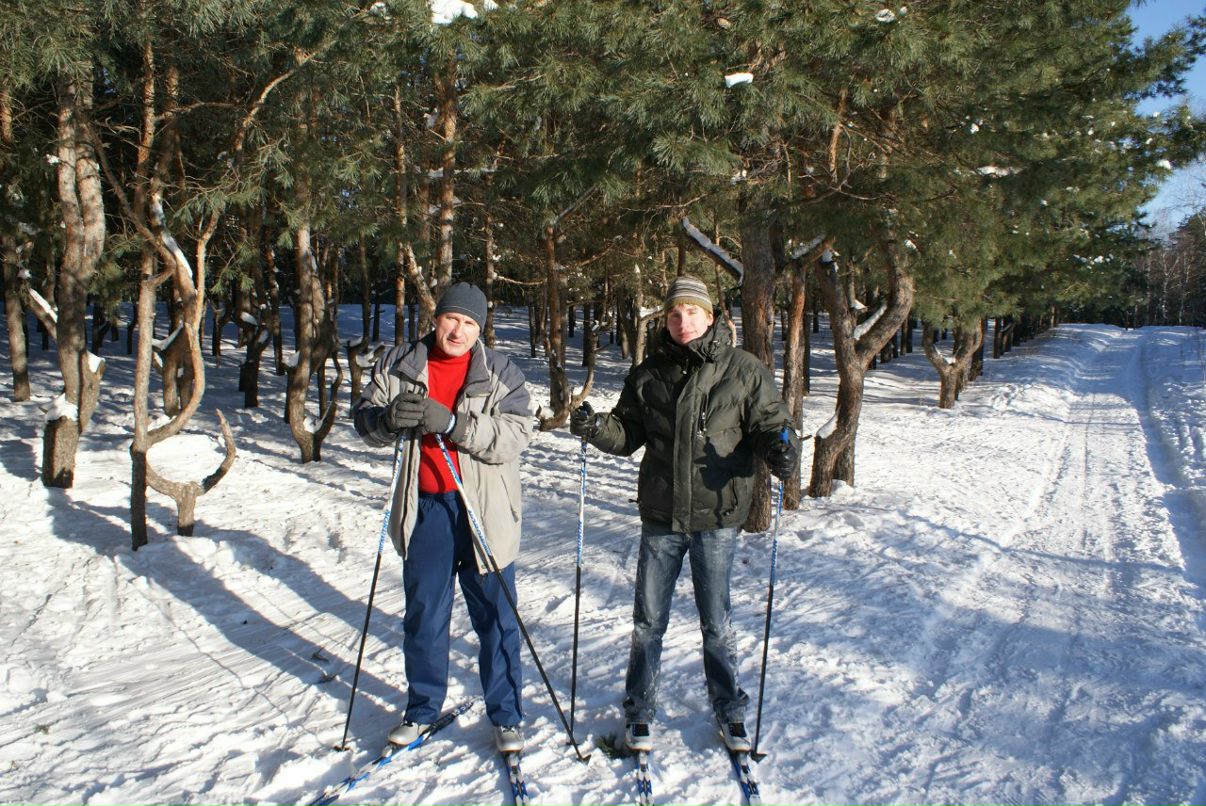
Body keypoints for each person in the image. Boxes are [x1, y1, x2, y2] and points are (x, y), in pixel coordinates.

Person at [570, 274, 800, 754]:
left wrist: (782, 450)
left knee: (717, 622)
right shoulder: (649, 373)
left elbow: (772, 426)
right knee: (647, 622)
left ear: (710, 317)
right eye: (675, 313)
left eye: (692, 312)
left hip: (716, 517)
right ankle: (639, 710)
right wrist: (596, 428)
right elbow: (627, 433)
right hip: (661, 516)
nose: (683, 321)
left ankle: (729, 710)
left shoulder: (744, 370)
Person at [353, 282, 534, 754]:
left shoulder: (501, 372)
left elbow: (515, 435)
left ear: (480, 328)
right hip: (426, 508)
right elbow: (363, 416)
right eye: (453, 319)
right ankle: (422, 709)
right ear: (437, 318)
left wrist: (454, 424)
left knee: (496, 617)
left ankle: (507, 715)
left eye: (471, 323)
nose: (459, 330)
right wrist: (387, 420)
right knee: (425, 615)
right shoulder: (400, 364)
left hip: (484, 511)